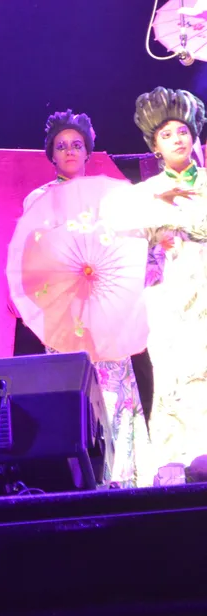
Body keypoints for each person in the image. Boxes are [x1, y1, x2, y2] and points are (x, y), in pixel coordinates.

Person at [9, 110, 151, 488]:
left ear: (88, 151)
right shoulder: (39, 200)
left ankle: (122, 479)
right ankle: (82, 484)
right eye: (61, 146)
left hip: (107, 307)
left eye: (76, 145)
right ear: (51, 156)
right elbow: (32, 257)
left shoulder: (110, 197)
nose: (70, 151)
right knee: (76, 394)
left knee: (116, 393)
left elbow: (130, 248)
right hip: (65, 312)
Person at [124, 86, 207, 484]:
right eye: (167, 134)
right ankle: (174, 462)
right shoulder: (144, 193)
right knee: (173, 377)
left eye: (183, 131)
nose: (177, 139)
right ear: (155, 146)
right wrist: (161, 214)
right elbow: (125, 240)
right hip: (168, 297)